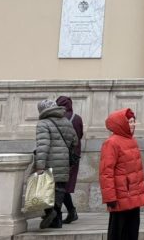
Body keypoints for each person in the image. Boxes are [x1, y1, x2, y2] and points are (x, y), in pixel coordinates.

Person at [99, 108, 144, 240]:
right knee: (117, 233)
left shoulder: (132, 141)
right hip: (120, 196)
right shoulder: (111, 143)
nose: (132, 124)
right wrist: (110, 198)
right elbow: (106, 172)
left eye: (133, 121)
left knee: (132, 232)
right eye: (129, 121)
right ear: (121, 123)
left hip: (133, 195)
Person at [33, 99, 78, 229]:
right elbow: (74, 141)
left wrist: (40, 167)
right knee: (59, 190)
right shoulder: (66, 122)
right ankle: (56, 220)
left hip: (49, 163)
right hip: (64, 162)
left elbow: (43, 146)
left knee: (46, 190)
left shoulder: (43, 123)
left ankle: (50, 213)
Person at [55, 95, 83, 224]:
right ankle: (70, 212)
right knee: (64, 186)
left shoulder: (57, 118)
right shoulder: (77, 118)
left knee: (59, 185)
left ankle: (59, 215)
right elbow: (80, 135)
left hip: (59, 156)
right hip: (73, 156)